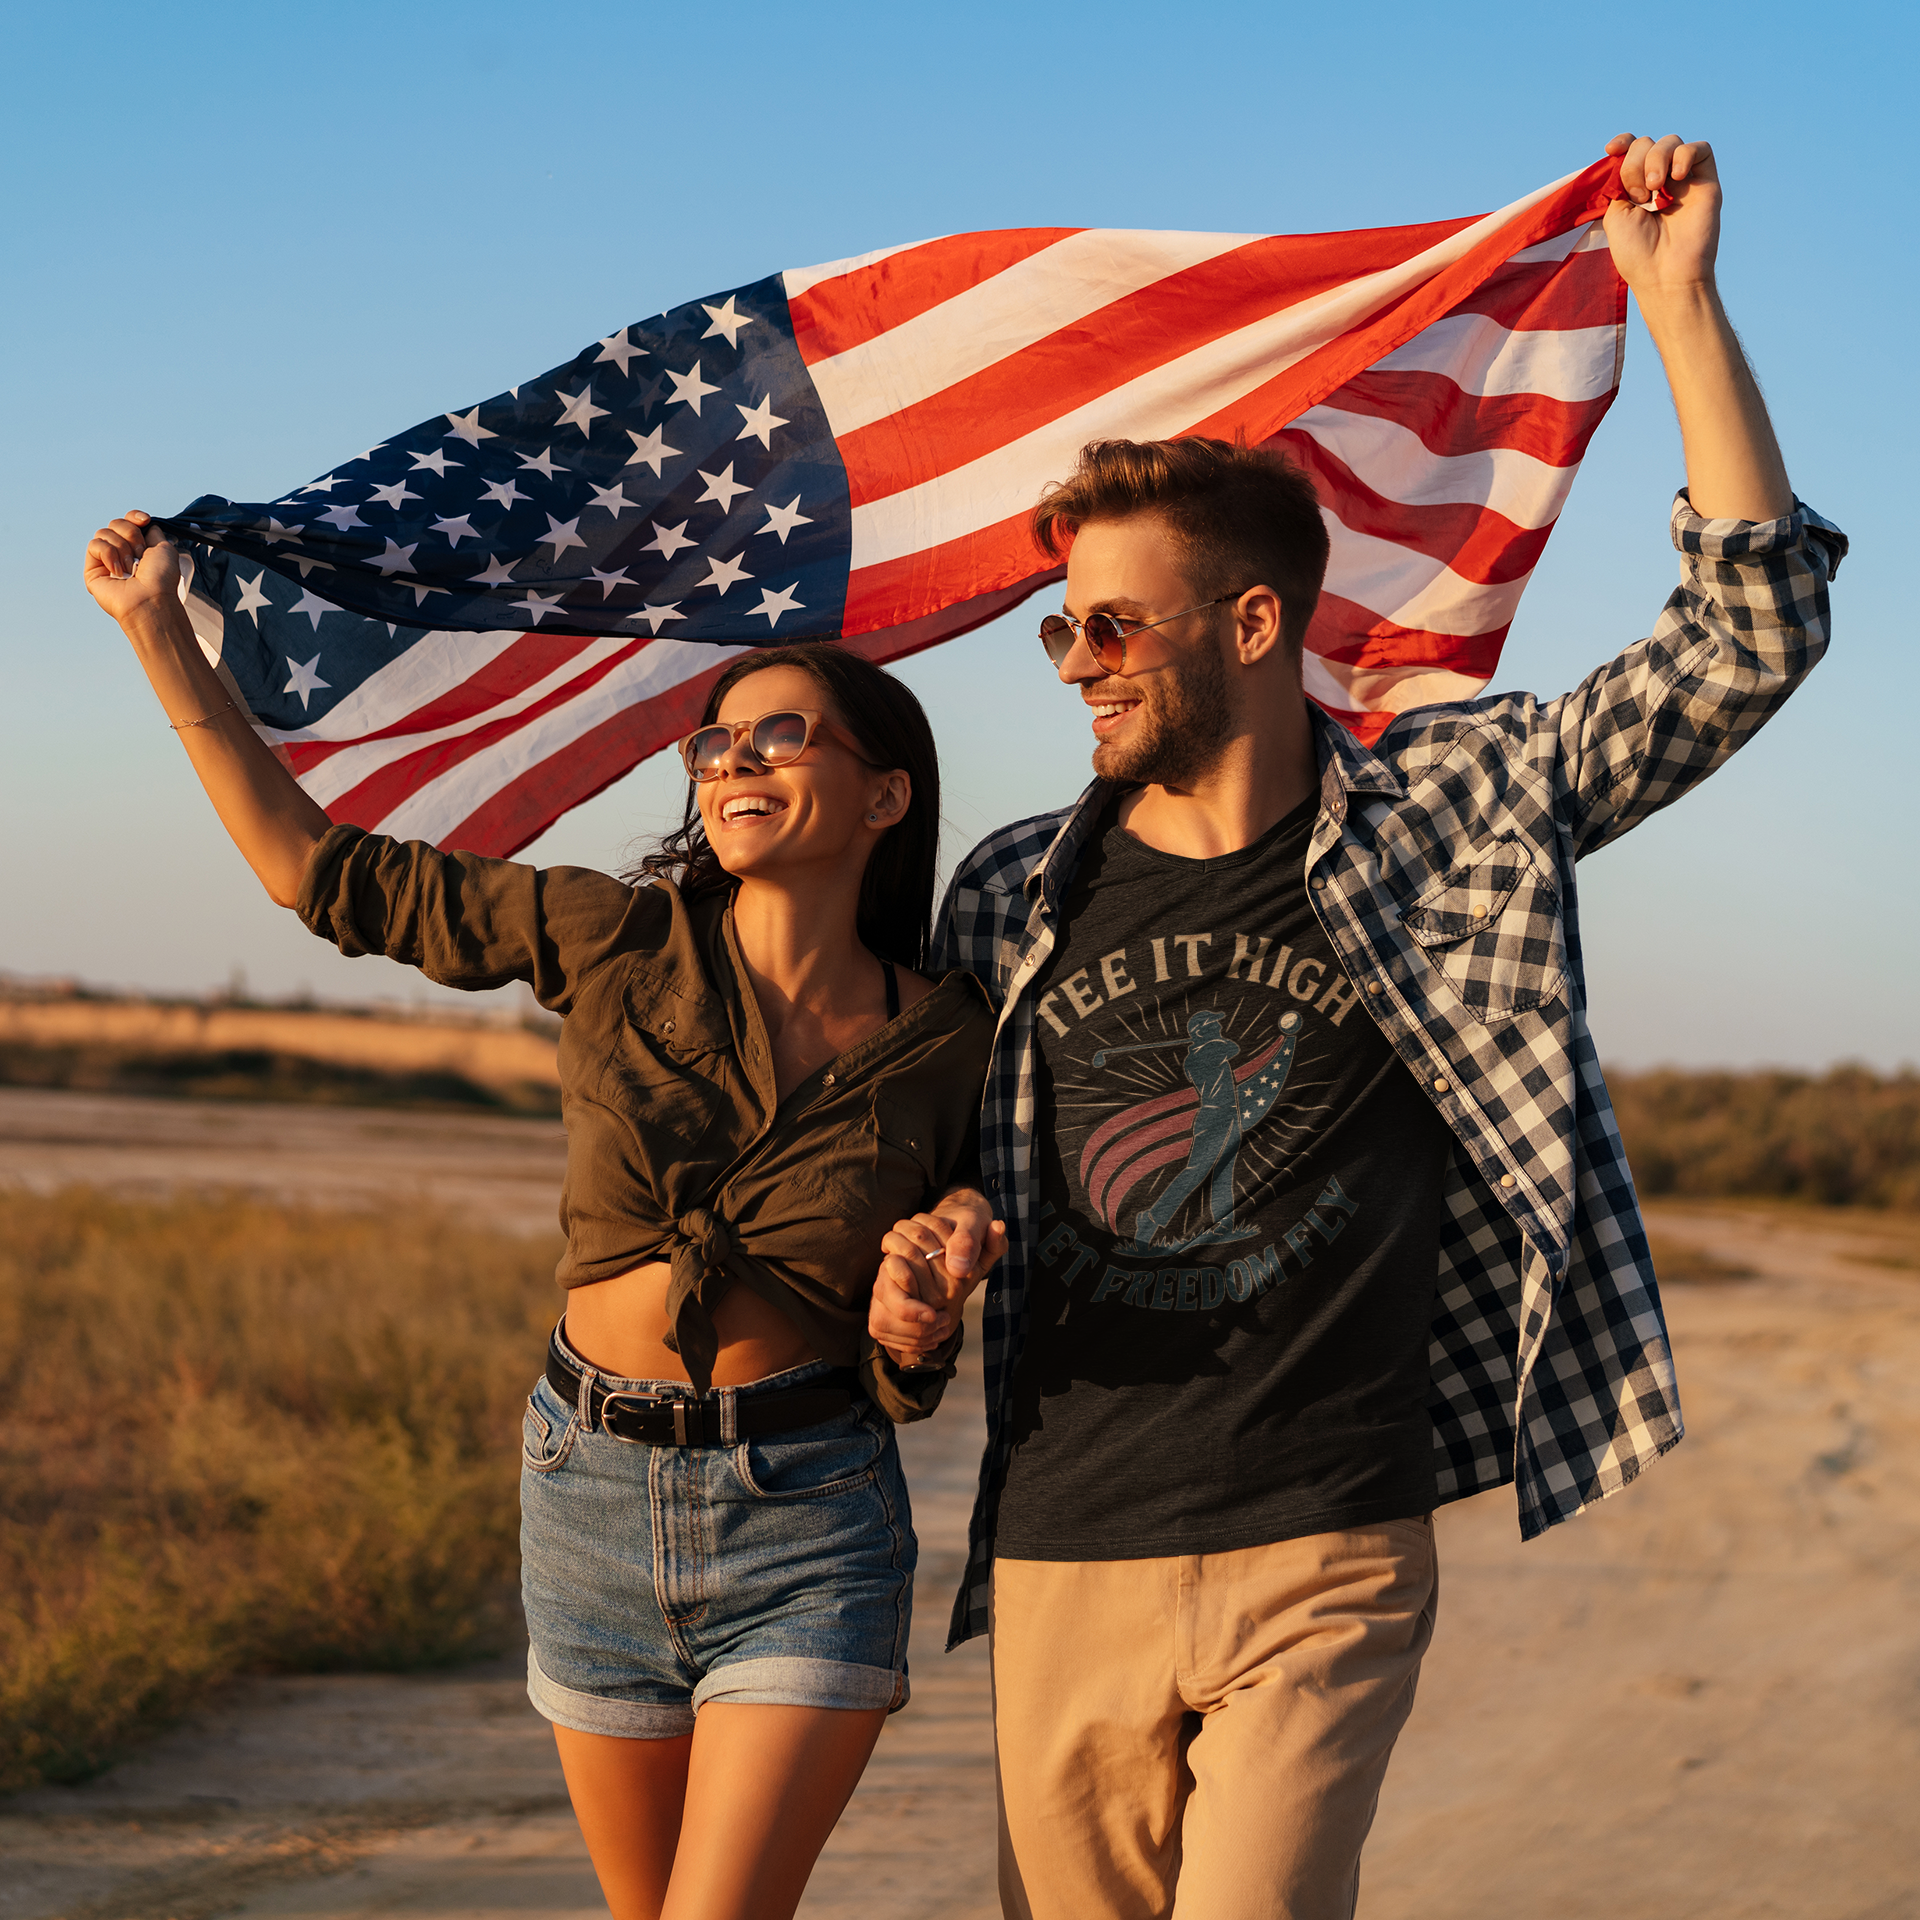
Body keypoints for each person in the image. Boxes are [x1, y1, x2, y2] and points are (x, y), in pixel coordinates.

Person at [881, 131, 1848, 1917]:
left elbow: (1747, 634)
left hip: (1323, 1541)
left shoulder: (1447, 814)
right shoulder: (1010, 894)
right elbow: (932, 1208)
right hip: (1065, 1546)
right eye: (1059, 633)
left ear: (1253, 621)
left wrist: (1681, 308)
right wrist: (916, 1286)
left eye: (1111, 626)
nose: (1076, 660)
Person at [76, 526, 1003, 1920]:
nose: (734, 761)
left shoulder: (950, 1044)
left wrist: (920, 1317)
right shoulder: (614, 936)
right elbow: (315, 874)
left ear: (884, 795)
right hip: (587, 1494)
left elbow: (912, 1343)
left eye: (782, 734)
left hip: (807, 1512)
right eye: (716, 742)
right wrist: (155, 628)